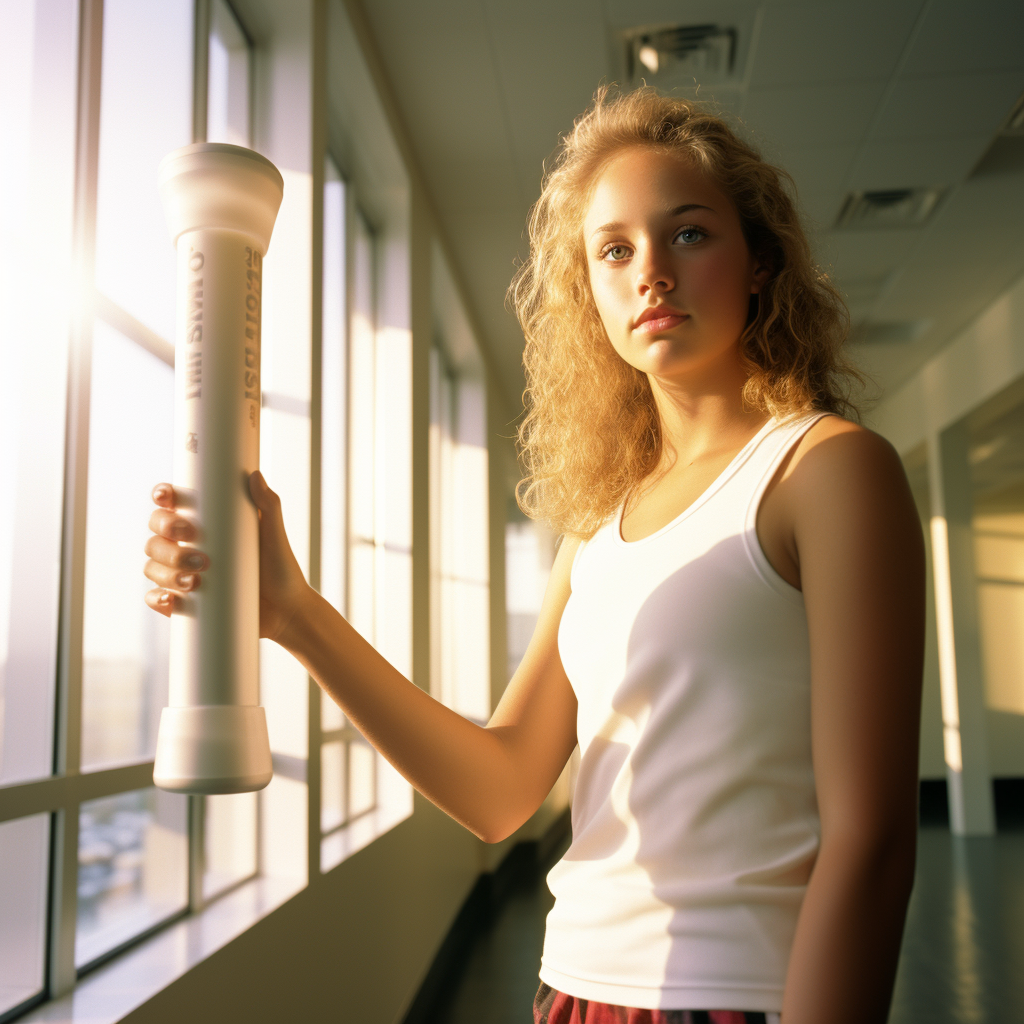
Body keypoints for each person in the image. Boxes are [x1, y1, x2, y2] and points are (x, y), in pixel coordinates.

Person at [144, 87, 925, 1024]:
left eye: (688, 235)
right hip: (573, 990)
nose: (652, 275)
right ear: (590, 292)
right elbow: (500, 790)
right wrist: (293, 614)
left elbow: (872, 841)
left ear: (759, 261)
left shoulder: (828, 471)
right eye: (615, 250)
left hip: (736, 995)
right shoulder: (598, 528)